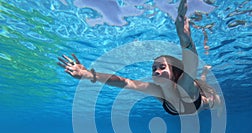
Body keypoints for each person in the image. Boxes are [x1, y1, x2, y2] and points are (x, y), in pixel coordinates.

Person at [58, 0, 221, 116]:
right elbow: (124, 82)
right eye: (154, 68)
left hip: (201, 104)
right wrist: (88, 74)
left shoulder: (184, 85)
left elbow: (190, 60)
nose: (156, 71)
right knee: (200, 79)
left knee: (210, 97)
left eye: (162, 67)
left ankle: (206, 78)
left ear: (175, 72)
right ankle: (204, 75)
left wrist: (184, 36)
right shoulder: (158, 90)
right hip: (185, 104)